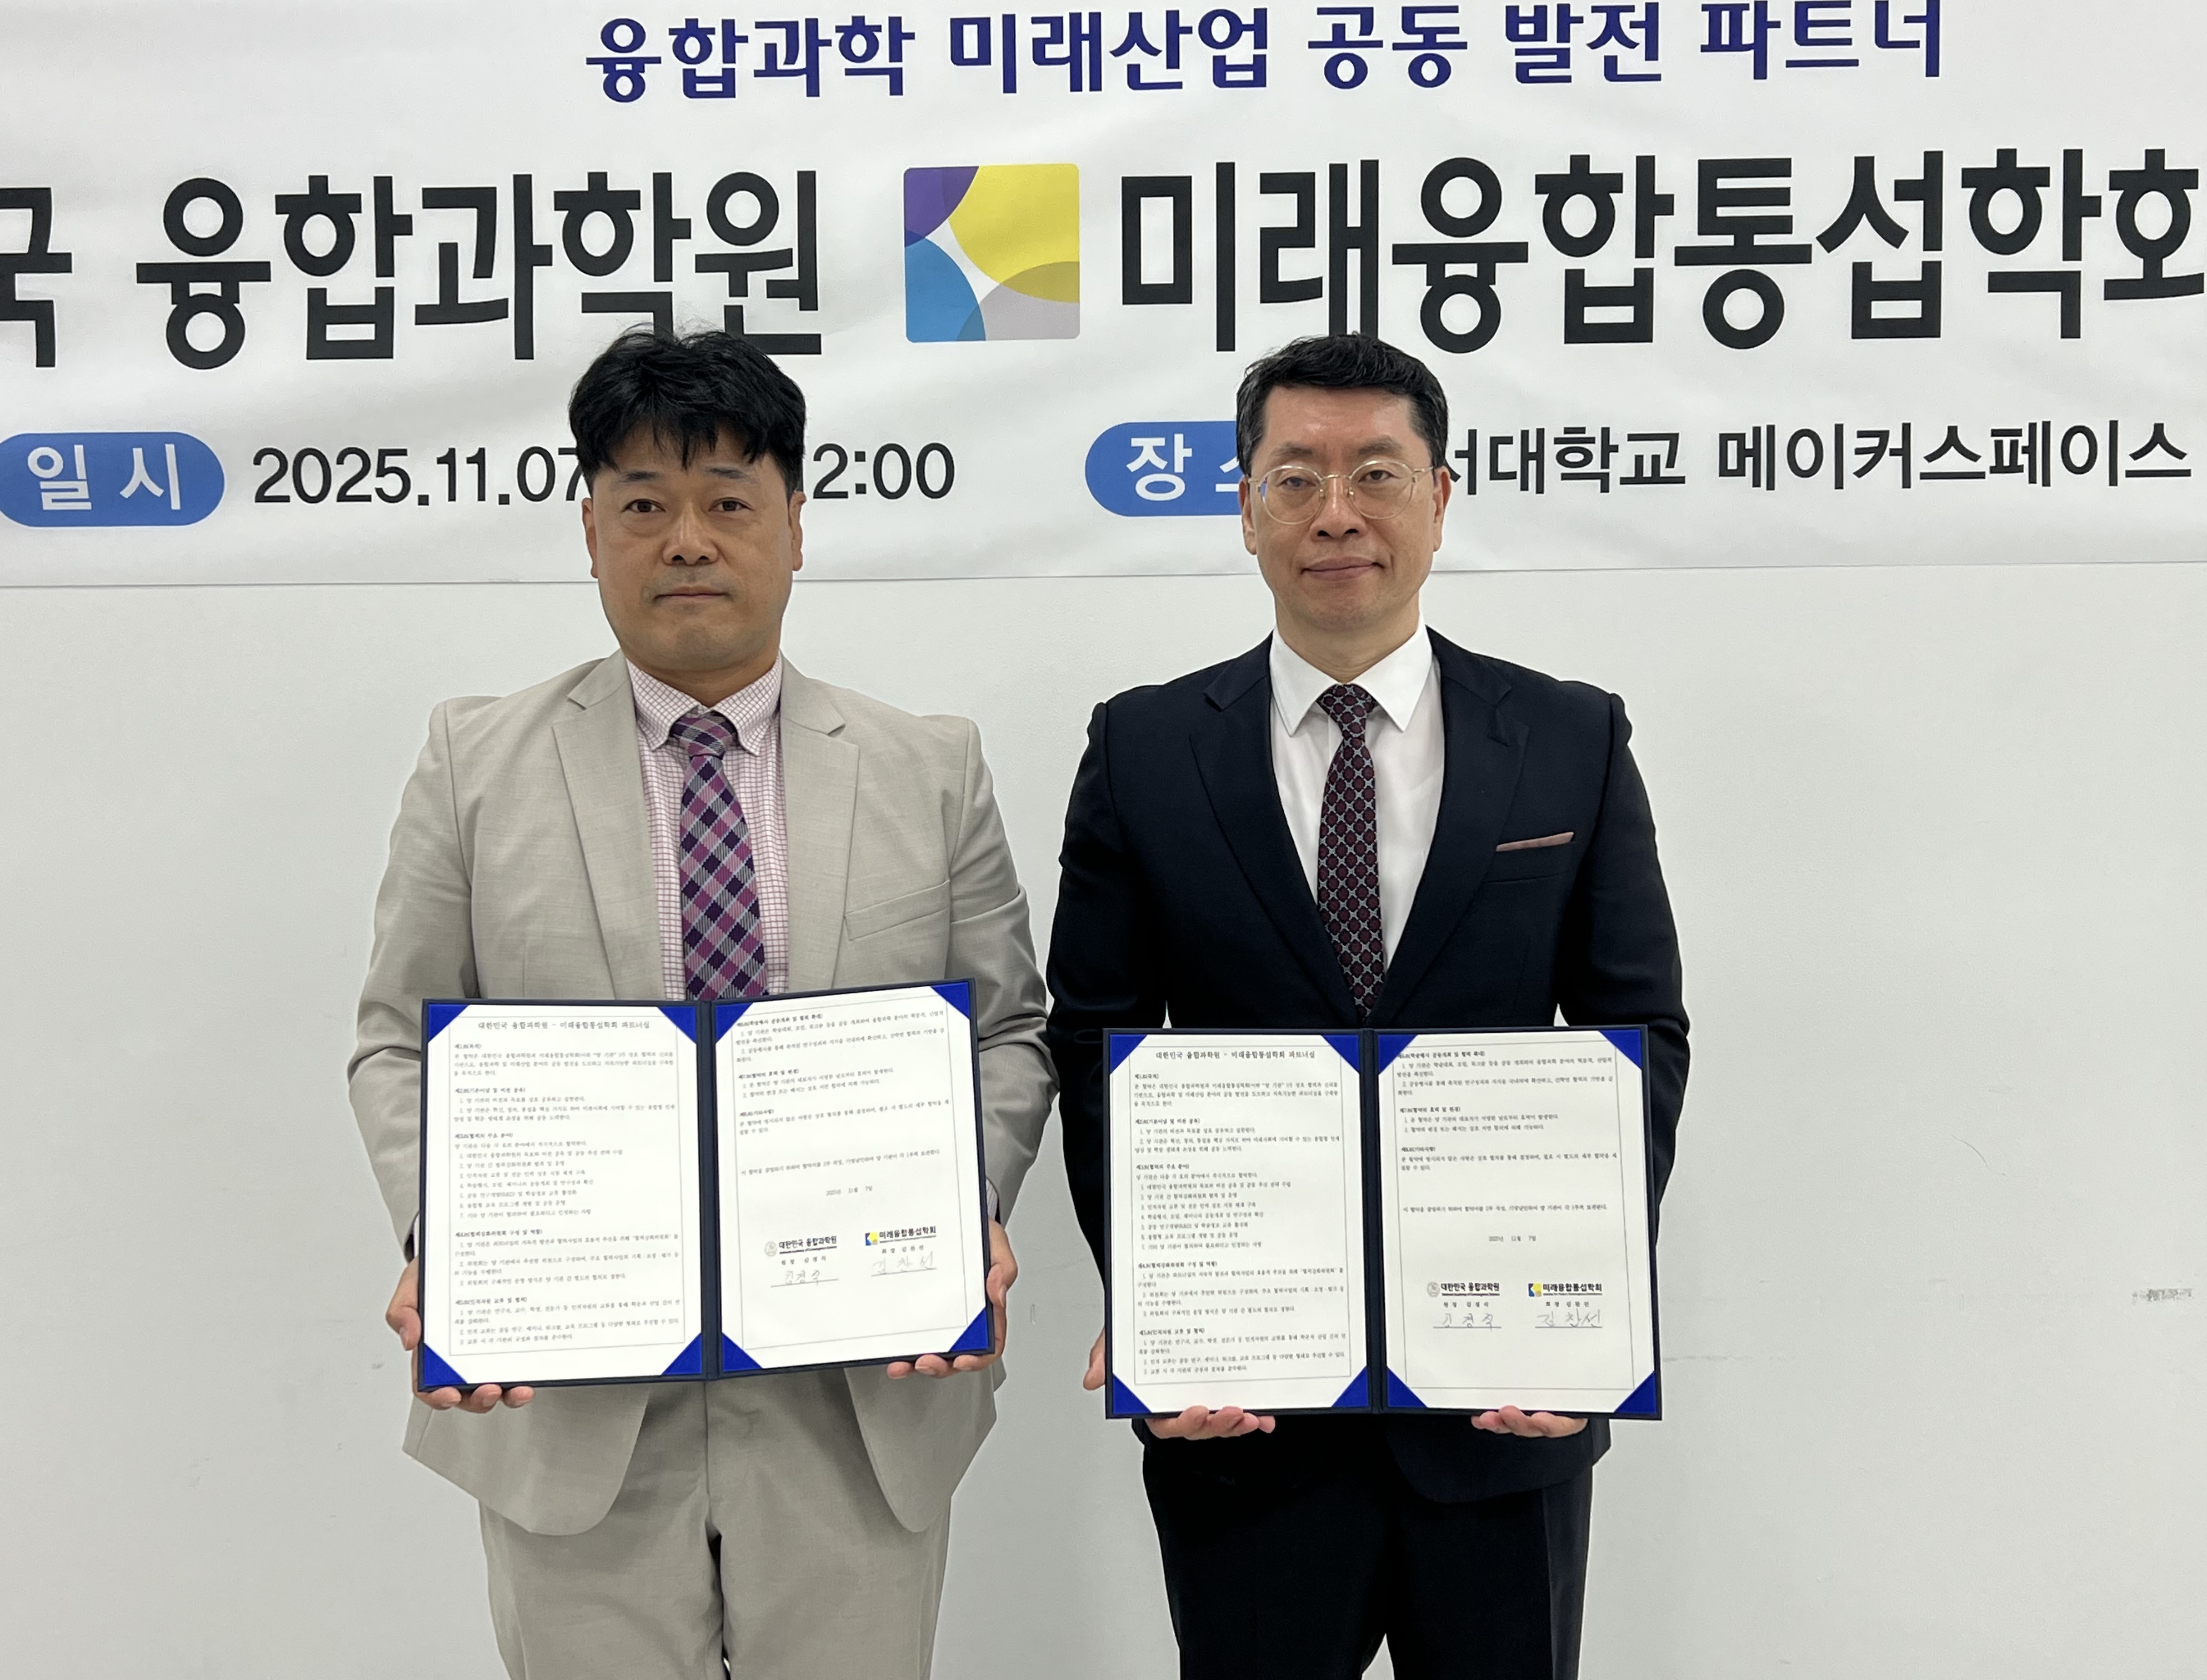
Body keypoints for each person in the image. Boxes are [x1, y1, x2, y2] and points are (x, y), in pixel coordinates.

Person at [348, 328, 1053, 1679]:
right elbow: (398, 1039)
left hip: (853, 1392)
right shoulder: (474, 762)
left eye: (728, 501)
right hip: (574, 1397)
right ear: (590, 530)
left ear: (796, 525)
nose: (687, 540)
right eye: (643, 505)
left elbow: (1006, 1032)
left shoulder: (928, 767)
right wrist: (453, 1234)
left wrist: (965, 1203)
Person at [1046, 333, 1688, 1679]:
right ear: (1246, 508)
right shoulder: (1146, 748)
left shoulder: (1570, 739)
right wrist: (1160, 1308)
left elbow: (1639, 1038)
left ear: (1440, 498)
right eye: (1296, 478)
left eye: (1377, 473)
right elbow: (1098, 1042)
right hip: (1247, 1418)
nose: (1337, 512)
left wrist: (1587, 1315)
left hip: (1503, 1408)